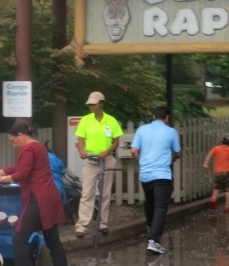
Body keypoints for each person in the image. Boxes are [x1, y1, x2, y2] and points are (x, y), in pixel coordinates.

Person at [0, 122, 70, 266]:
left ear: (21, 135)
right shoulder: (39, 148)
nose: (13, 143)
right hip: (50, 196)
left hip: (38, 198)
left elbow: (22, 174)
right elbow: (21, 168)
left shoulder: (29, 150)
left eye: (13, 140)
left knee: (19, 238)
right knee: (53, 240)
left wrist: (1, 178)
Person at [131, 106, 181, 254]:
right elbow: (178, 153)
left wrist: (141, 162)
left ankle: (150, 227)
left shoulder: (142, 130)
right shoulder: (171, 132)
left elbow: (133, 150)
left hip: (146, 175)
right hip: (162, 174)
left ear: (153, 116)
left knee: (150, 202)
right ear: (167, 118)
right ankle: (154, 240)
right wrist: (172, 158)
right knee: (161, 206)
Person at [74, 92, 121, 238]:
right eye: (90, 104)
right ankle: (82, 226)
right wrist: (81, 150)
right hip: (90, 160)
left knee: (105, 193)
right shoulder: (85, 120)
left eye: (94, 104)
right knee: (87, 193)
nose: (91, 106)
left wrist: (107, 151)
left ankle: (102, 223)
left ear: (101, 103)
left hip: (106, 159)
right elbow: (81, 139)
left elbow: (116, 141)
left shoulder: (111, 120)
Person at [203, 133, 229, 212]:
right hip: (228, 172)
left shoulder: (216, 148)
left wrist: (205, 164)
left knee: (217, 187)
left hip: (218, 172)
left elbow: (209, 155)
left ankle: (213, 200)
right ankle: (227, 207)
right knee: (228, 189)